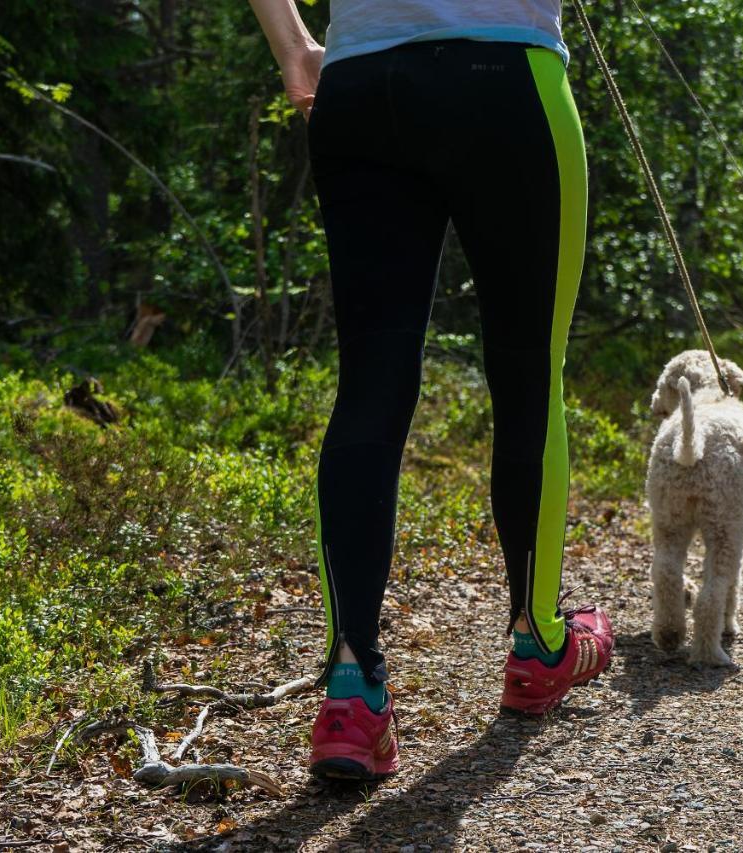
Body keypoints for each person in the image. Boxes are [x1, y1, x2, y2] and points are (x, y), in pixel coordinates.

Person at [247, 0, 613, 780]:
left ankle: (352, 687)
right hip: (508, 77)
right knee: (528, 372)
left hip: (361, 83)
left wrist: (293, 46)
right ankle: (539, 639)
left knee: (369, 386)